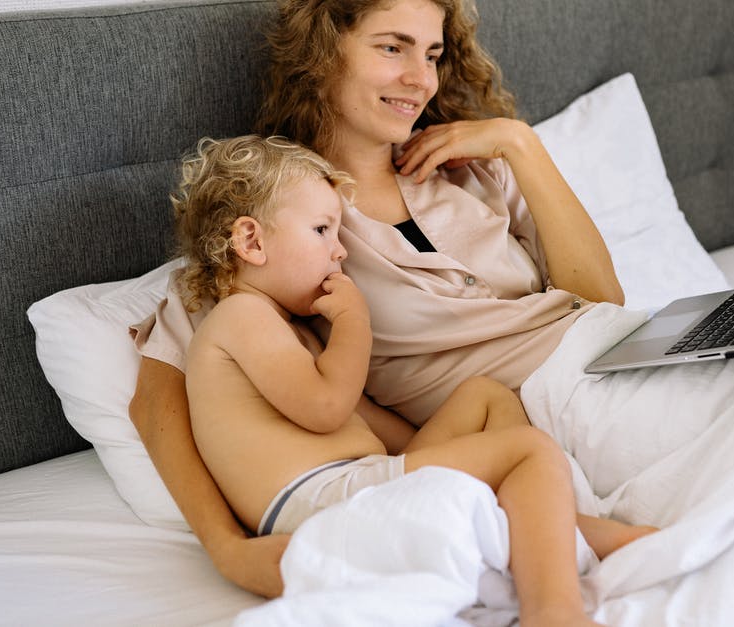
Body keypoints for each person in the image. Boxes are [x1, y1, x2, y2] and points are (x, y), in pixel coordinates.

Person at [130, 0, 626, 598]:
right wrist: (229, 551)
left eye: (434, 54)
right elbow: (158, 404)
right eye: (393, 47)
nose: (421, 78)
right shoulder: (281, 218)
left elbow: (604, 303)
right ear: (322, 55)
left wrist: (520, 144)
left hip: (611, 354)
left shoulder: (476, 170)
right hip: (567, 402)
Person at [170, 134, 652, 625]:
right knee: (528, 450)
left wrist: (448, 455)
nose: (339, 253)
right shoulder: (241, 317)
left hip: (356, 482)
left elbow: (370, 423)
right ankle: (555, 611)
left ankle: (555, 526)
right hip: (321, 501)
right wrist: (355, 320)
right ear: (251, 241)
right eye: (322, 230)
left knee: (483, 397)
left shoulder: (287, 331)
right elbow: (329, 408)